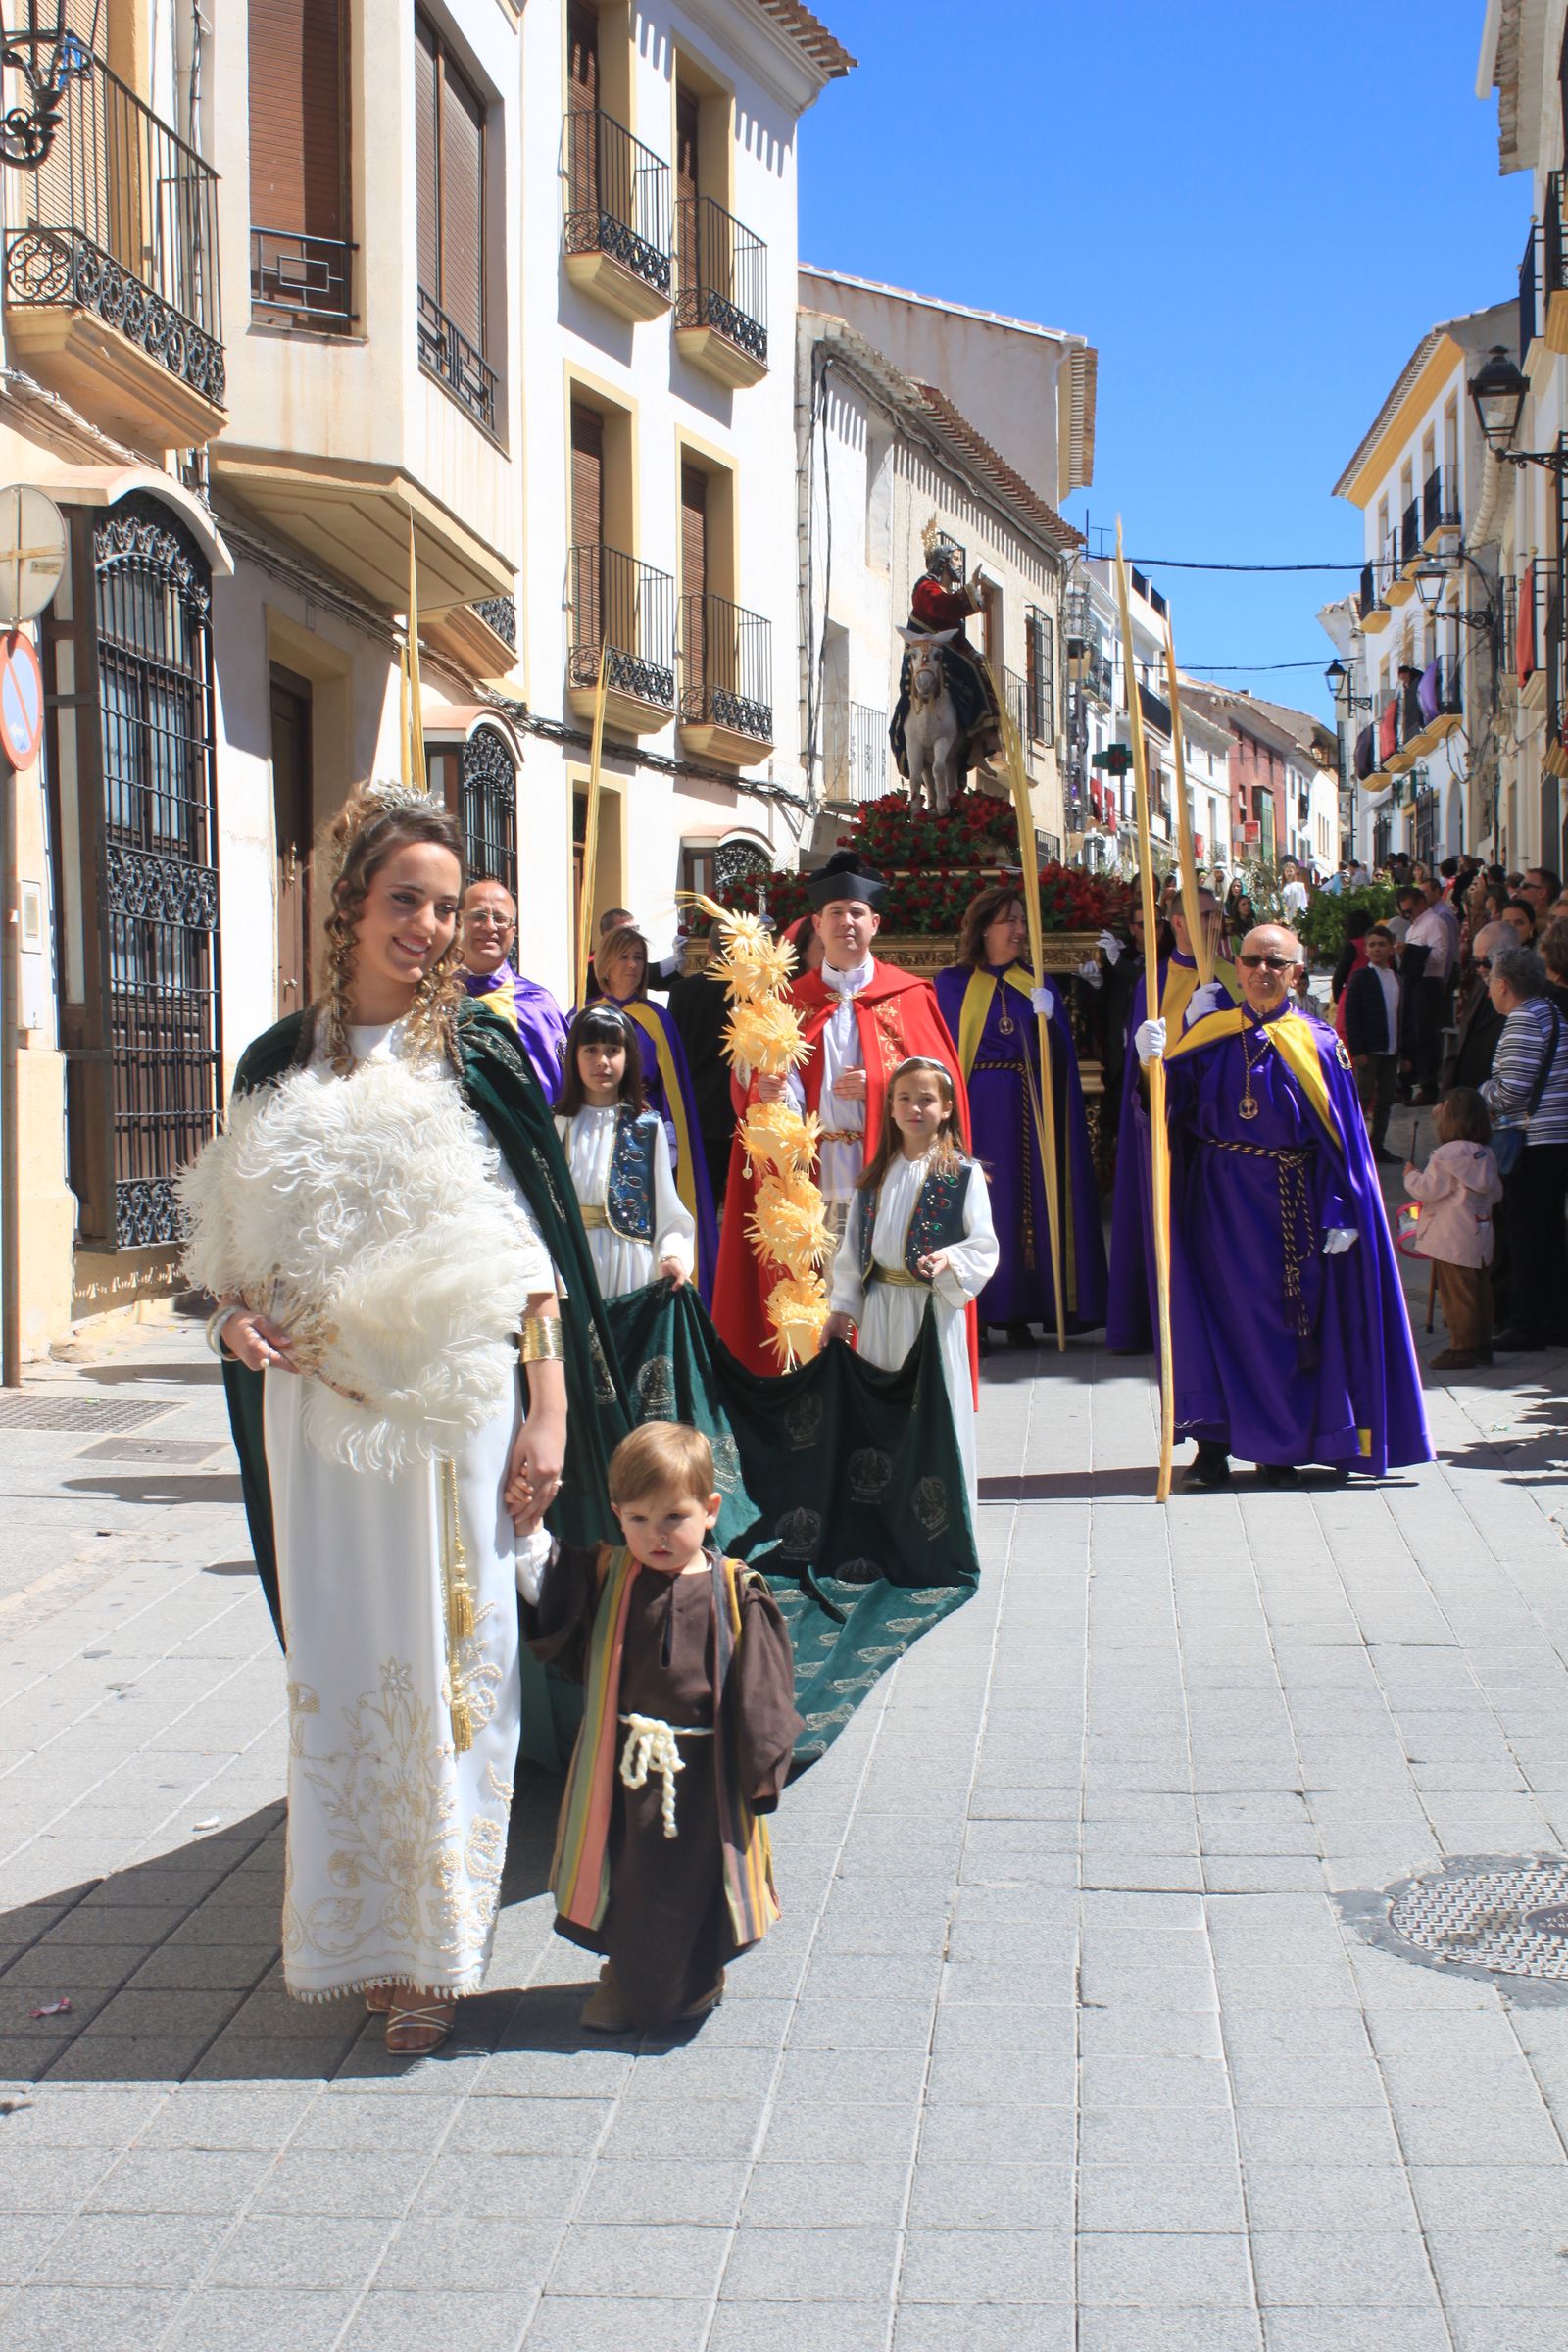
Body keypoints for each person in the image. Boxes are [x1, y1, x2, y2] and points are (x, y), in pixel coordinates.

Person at [182, 783, 623, 2054]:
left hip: (459, 1416)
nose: (428, 925)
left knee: (458, 1676)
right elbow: (235, 1257)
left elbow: (537, 1257)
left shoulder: (477, 1058)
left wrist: (546, 1415)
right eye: (404, 901)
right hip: (323, 1427)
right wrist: (235, 1325)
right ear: (349, 912)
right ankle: (358, 1931)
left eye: (443, 903)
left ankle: (434, 1945)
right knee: (347, 1668)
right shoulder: (277, 1063)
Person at [520, 1421, 800, 2033]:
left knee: (694, 1883)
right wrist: (527, 1530)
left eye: (674, 1517)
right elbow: (549, 1582)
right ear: (618, 1515)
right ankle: (629, 1974)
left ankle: (694, 1980)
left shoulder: (735, 1592)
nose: (657, 1536)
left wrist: (761, 1765)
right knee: (629, 1871)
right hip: (622, 1769)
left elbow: (763, 1690)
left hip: (704, 1778)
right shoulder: (608, 1577)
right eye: (639, 1520)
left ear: (709, 1510)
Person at [1135, 921, 1431, 1487]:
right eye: (1252, 961)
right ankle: (1215, 1446)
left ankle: (1280, 1446)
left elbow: (1345, 1145)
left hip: (1291, 1204)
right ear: (1237, 967)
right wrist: (1152, 1067)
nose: (1262, 972)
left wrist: (1344, 1208)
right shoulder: (1207, 1036)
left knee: (1287, 1327)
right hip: (1217, 1204)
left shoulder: (1319, 1045)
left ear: (1296, 973)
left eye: (1276, 963)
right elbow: (1167, 1115)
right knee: (1217, 1319)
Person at [710, 851, 969, 1376]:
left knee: (882, 1304)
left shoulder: (911, 996)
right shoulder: (788, 1003)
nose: (846, 923)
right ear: (816, 925)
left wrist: (879, 1086)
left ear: (874, 923)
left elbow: (945, 1091)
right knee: (820, 1302)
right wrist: (760, 1086)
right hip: (812, 1183)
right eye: (835, 914)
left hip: (887, 1177)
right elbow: (751, 1101)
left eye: (856, 913)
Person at [934, 884, 1105, 1347]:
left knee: (1029, 1207)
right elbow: (944, 1055)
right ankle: (982, 1311)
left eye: (1022, 921)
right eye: (1009, 920)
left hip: (1030, 1108)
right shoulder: (952, 985)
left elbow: (1060, 1064)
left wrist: (1050, 1025)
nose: (1019, 929)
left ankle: (1022, 1309)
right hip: (979, 1109)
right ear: (984, 928)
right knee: (982, 1207)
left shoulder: (1038, 983)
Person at [824, 1056, 998, 1508]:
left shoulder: (962, 1174)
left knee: (932, 1409)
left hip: (930, 1310)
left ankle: (943, 1512)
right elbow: (852, 1253)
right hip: (881, 1306)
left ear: (946, 1109)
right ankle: (887, 1511)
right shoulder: (875, 1176)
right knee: (884, 1412)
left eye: (926, 1099)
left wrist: (951, 1259)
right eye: (905, 1098)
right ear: (891, 1107)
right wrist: (842, 1310)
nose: (914, 1108)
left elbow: (984, 1245)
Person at [1106, 887, 1238, 1352]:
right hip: (1177, 1123)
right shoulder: (1153, 983)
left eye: (1216, 915)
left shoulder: (1235, 975)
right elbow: (1148, 1065)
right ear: (1177, 923)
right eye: (1202, 916)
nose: (1212, 925)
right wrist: (1186, 1027)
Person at [591, 924, 717, 1300]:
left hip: (645, 1136)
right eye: (624, 956)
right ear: (605, 964)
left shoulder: (657, 1019)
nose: (631, 966)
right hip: (596, 1132)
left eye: (638, 958)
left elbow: (672, 1087)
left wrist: (670, 1127)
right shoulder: (585, 1016)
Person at [556, 1004, 694, 1299]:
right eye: (590, 1050)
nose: (601, 1061)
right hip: (573, 1263)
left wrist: (671, 1255)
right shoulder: (558, 1124)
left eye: (612, 1050)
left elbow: (668, 1212)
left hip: (631, 1266)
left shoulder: (646, 1128)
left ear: (629, 1058)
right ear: (574, 1057)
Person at [1482, 943, 1568, 1352]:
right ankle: (1552, 1318)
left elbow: (1511, 1090)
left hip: (1533, 1140)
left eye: (1490, 979)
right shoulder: (1548, 1011)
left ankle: (1527, 1322)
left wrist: (1479, 1095)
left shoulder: (1523, 1019)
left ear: (1504, 984)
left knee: (1527, 1233)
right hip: (1552, 1138)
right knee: (1548, 1232)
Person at [1402, 1089, 1501, 1371]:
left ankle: (1464, 1348)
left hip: (1450, 1237)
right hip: (1479, 1234)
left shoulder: (1446, 1155)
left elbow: (1427, 1190)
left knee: (1456, 1295)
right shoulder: (1485, 1154)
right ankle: (1481, 1342)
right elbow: (1495, 1193)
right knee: (1479, 1290)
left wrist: (1411, 1175)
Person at [890, 537, 1002, 782]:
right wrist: (970, 591)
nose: (959, 565)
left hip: (944, 647)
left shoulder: (941, 589)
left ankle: (978, 741)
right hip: (927, 651)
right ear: (941, 563)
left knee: (979, 666)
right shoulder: (926, 587)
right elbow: (942, 608)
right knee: (972, 669)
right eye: (955, 560)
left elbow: (953, 624)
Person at [457, 873, 569, 1098]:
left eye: (500, 918)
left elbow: (562, 1097)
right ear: (457, 923)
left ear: (513, 932)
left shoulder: (538, 1005)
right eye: (479, 916)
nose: (490, 927)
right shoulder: (429, 1000)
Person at [665, 923, 741, 1213]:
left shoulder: (682, 991)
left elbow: (676, 1050)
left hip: (698, 1113)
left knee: (701, 1207)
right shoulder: (752, 991)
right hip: (739, 1115)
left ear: (708, 950)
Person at [1342, 924, 1401, 1162]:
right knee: (1362, 1097)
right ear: (1366, 950)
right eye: (1372, 944)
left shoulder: (1397, 978)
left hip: (1391, 1048)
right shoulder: (1361, 977)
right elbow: (1352, 1016)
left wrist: (1406, 1053)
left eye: (1382, 944)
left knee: (1385, 1099)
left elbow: (1401, 1015)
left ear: (1391, 948)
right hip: (1369, 1050)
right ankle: (1354, 1145)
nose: (1377, 949)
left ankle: (1378, 1146)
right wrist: (1358, 1050)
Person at [1446, 919, 1511, 1092]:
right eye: (1476, 962)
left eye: (1487, 963)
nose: (1481, 969)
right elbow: (1460, 1045)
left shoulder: (1523, 999)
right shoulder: (1479, 988)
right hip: (1466, 1097)